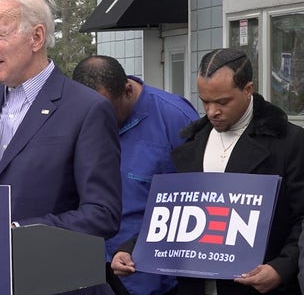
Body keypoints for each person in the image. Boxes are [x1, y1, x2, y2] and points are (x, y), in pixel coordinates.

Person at [0, 0, 122, 294]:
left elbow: (102, 215)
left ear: (36, 37)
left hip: (54, 283)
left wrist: (20, 233)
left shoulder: (87, 109)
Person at [111, 48, 304, 295]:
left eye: (222, 102)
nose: (212, 111)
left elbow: (301, 218)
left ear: (248, 90)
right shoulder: (192, 143)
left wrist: (281, 268)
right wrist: (130, 249)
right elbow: (171, 215)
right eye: (205, 101)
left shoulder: (289, 142)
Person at [72, 55, 199, 295]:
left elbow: (196, 197)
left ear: (127, 90)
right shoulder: (79, 116)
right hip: (90, 265)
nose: (97, 119)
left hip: (148, 274)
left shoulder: (174, 117)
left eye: (105, 110)